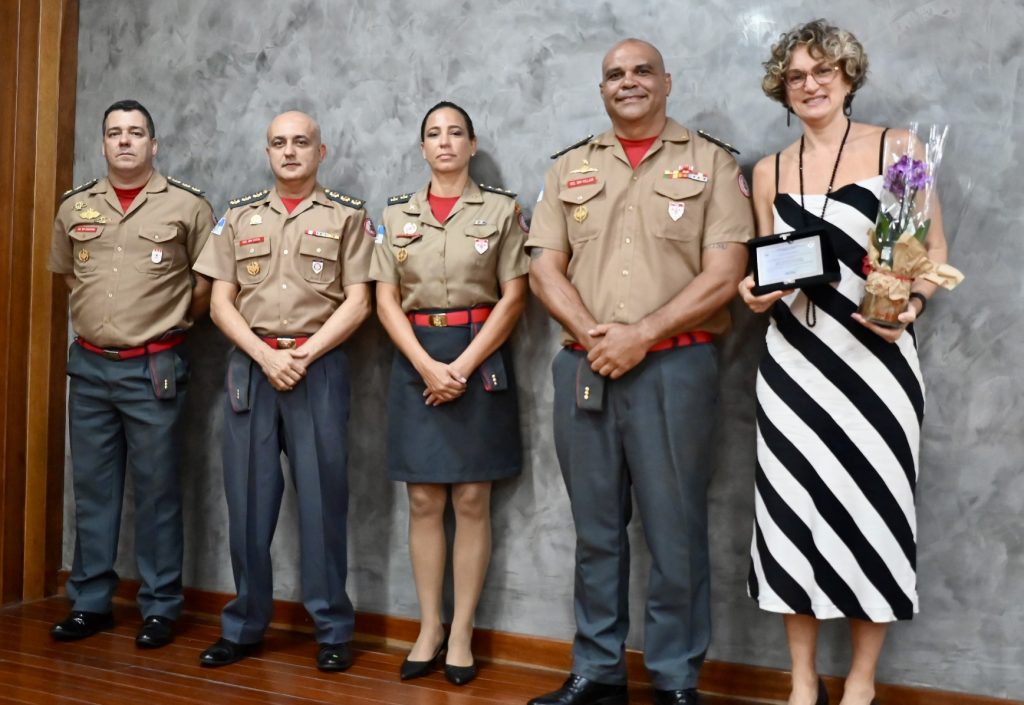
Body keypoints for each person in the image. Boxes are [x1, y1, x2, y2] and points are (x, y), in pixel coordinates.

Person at [527, 39, 754, 705]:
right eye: (615, 74)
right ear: (603, 89)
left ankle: (676, 677)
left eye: (641, 71)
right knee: (595, 530)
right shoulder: (569, 166)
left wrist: (640, 335)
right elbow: (544, 264)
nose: (628, 82)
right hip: (584, 368)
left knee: (674, 529)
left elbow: (725, 271)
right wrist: (594, 335)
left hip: (675, 367)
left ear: (666, 82)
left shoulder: (710, 163)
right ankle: (598, 670)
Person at [738, 19, 950, 705]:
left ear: (848, 76)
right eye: (797, 76)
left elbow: (931, 253)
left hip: (878, 366)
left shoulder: (900, 149)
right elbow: (763, 265)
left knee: (876, 515)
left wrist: (910, 303)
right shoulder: (770, 169)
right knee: (791, 516)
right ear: (784, 88)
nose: (811, 84)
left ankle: (860, 681)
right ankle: (803, 681)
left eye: (823, 70)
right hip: (794, 369)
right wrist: (753, 290)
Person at [192, 110, 373, 671]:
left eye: (301, 142)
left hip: (317, 368)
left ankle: (332, 628)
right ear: (267, 152)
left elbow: (360, 301)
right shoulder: (239, 217)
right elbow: (219, 302)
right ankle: (245, 624)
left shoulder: (347, 217)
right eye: (279, 143)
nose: (289, 151)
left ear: (322, 152)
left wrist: (303, 354)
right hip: (252, 366)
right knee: (247, 502)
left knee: (322, 502)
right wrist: (267, 356)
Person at [370, 101, 528, 686]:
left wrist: (458, 366)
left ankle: (462, 630)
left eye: (455, 132)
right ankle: (429, 626)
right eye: (433, 134)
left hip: (478, 357)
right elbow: (384, 300)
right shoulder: (395, 215)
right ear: (422, 148)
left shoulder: (503, 210)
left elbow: (514, 297)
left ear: (472, 142)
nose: (444, 142)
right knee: (423, 501)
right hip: (416, 357)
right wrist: (425, 366)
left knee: (470, 499)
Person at [46, 99, 214, 648]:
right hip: (91, 366)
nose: (124, 141)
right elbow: (70, 275)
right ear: (103, 144)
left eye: (136, 133)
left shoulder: (187, 206)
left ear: (153, 144)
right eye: (114, 133)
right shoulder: (75, 207)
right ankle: (90, 602)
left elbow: (207, 283)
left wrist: (167, 323)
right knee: (93, 490)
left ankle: (161, 607)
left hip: (154, 368)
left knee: (159, 490)